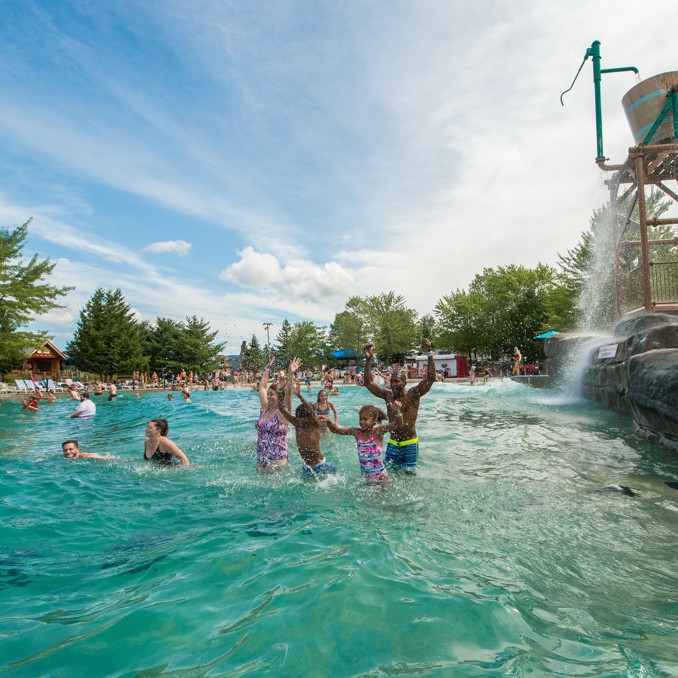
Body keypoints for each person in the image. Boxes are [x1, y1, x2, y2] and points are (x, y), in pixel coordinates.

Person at [362, 338, 436, 473]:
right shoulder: (388, 395)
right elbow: (368, 383)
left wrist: (429, 353)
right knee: (385, 474)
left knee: (409, 476)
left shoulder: (413, 394)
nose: (394, 384)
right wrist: (368, 360)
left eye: (397, 381)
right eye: (392, 382)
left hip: (409, 444)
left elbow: (430, 379)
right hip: (393, 444)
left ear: (405, 383)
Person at [279, 364, 336, 479]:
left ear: (309, 417)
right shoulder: (297, 423)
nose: (299, 420)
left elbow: (311, 409)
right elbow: (282, 408)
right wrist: (282, 388)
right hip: (306, 467)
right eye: (298, 417)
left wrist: (299, 395)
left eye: (302, 417)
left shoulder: (314, 424)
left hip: (320, 465)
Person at [322, 403, 403, 482]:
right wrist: (328, 421)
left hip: (381, 478)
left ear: (374, 420)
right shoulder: (356, 432)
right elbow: (336, 430)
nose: (362, 422)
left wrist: (398, 412)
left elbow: (398, 425)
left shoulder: (378, 431)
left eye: (365, 419)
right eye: (360, 419)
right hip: (366, 479)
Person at [255, 355, 294, 472]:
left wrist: (291, 374)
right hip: (261, 457)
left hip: (277, 459)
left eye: (271, 394)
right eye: (268, 394)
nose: (268, 396)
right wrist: (267, 369)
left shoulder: (283, 413)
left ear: (279, 396)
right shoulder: (266, 408)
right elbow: (262, 387)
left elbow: (288, 393)